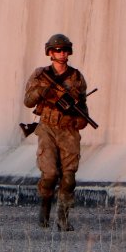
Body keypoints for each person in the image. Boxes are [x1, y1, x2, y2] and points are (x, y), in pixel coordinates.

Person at [23, 34, 91, 231]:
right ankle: (45, 207)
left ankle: (63, 218)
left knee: (69, 178)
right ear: (50, 53)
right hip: (47, 128)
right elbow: (28, 101)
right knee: (50, 173)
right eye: (58, 50)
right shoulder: (40, 74)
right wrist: (41, 92)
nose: (62, 54)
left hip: (69, 130)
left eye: (65, 50)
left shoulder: (76, 77)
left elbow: (83, 105)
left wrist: (82, 118)